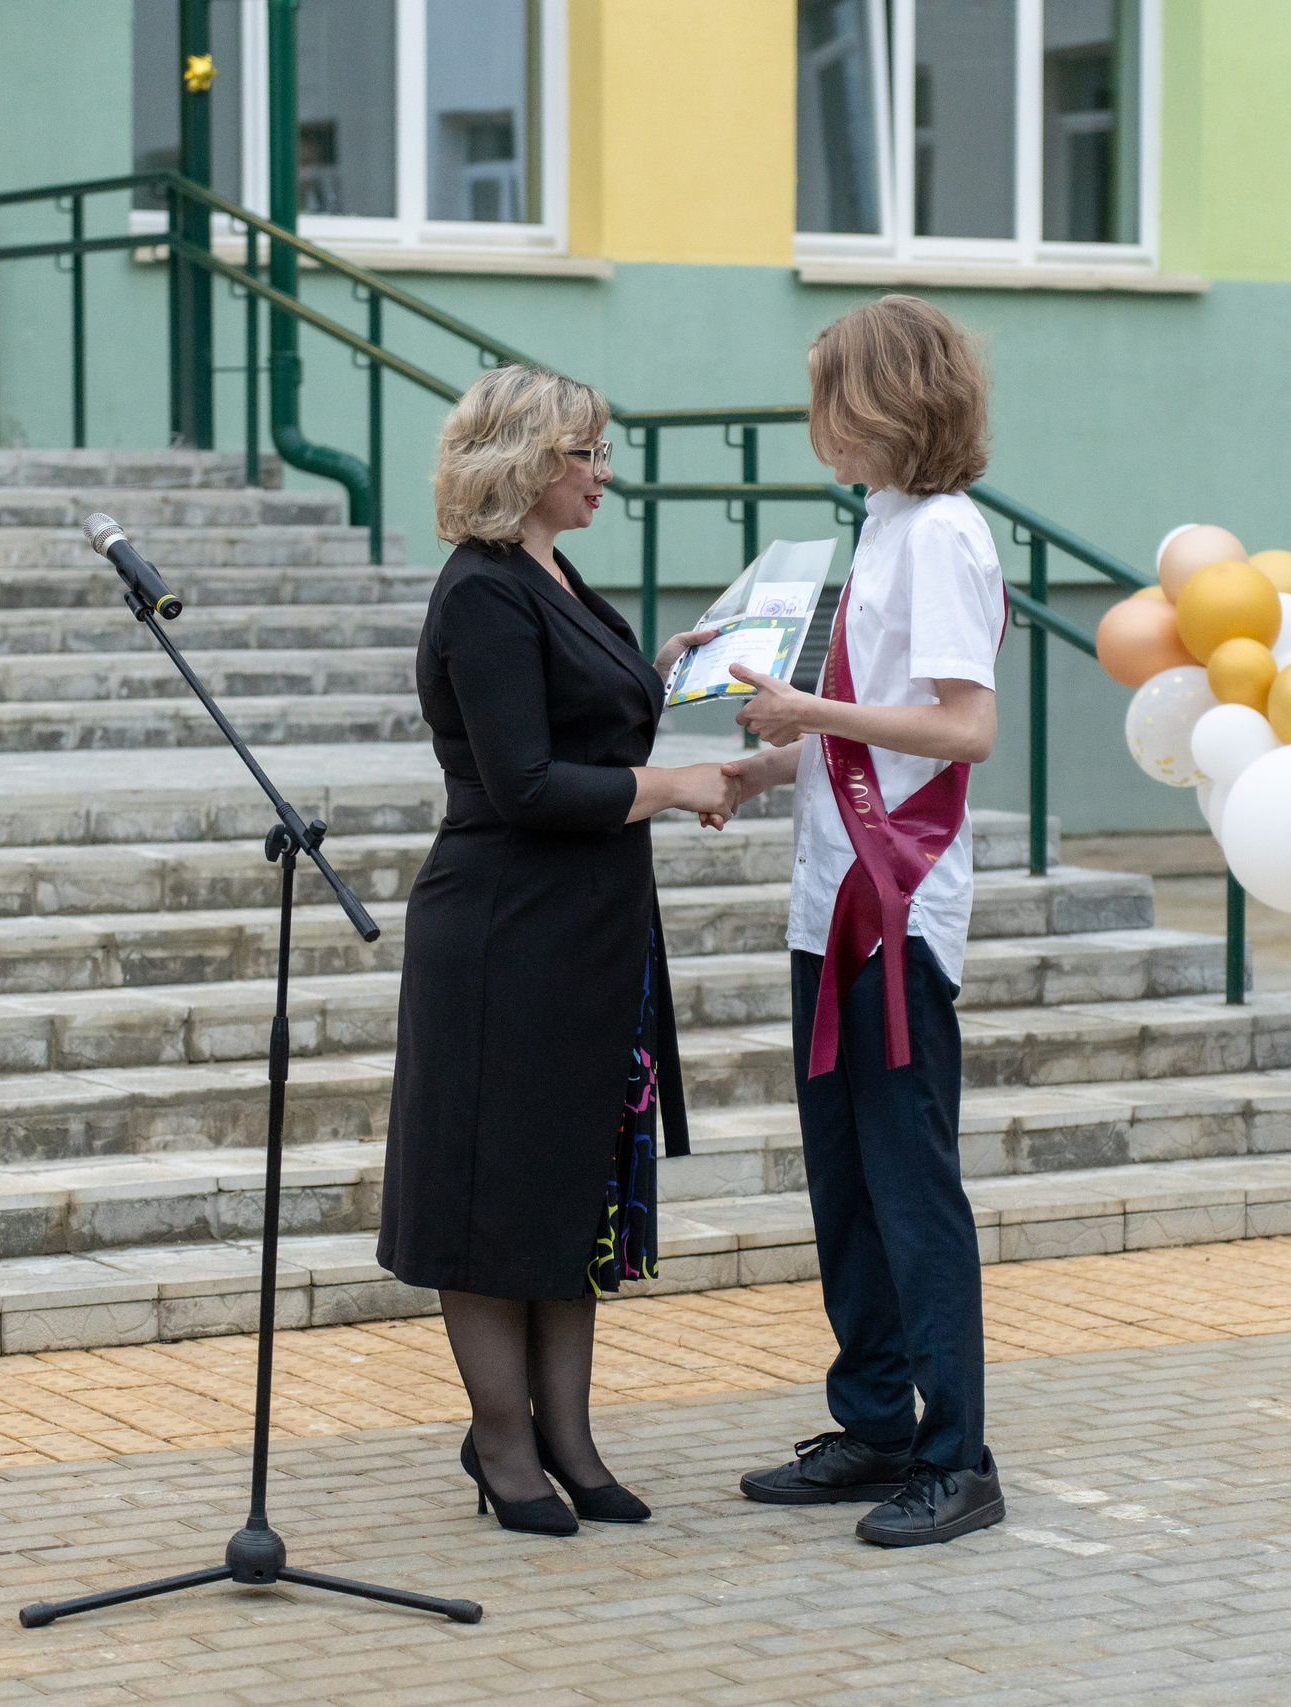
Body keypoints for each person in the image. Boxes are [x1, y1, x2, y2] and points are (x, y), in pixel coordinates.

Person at [377, 364, 732, 1536]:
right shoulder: (479, 591)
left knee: (568, 1189)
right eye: (585, 454)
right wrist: (673, 783)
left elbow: (578, 712)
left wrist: (665, 669)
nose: (602, 474)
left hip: (585, 932)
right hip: (503, 936)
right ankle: (501, 1441)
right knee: (493, 1193)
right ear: (525, 462)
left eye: (602, 452)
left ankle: (570, 1438)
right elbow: (525, 780)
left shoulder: (553, 574)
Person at [717, 296, 1008, 1547]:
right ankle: (877, 1420)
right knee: (846, 1184)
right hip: (830, 894)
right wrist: (761, 763)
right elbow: (868, 720)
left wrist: (809, 717)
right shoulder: (885, 530)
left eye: (827, 393)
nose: (813, 418)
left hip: (893, 905)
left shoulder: (942, 537)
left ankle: (956, 1457)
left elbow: (961, 727)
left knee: (909, 1189)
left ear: (879, 401)